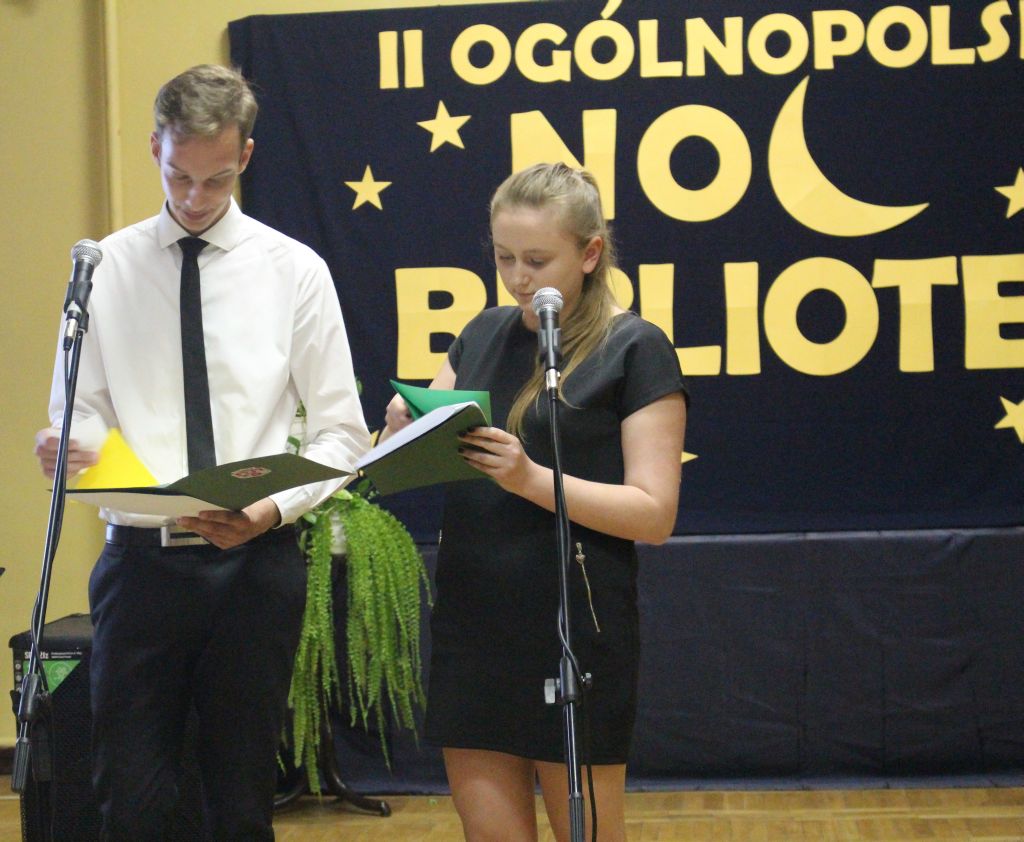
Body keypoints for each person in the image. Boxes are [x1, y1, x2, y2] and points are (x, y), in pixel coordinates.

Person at [34, 64, 370, 841]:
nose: (195, 198)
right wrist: (69, 449)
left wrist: (271, 509)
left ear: (245, 155)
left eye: (217, 179)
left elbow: (343, 434)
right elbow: (78, 415)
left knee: (241, 799)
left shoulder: (294, 271)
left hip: (255, 566)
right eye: (179, 176)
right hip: (140, 566)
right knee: (131, 797)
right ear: (155, 147)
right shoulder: (104, 269)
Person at [383, 163, 688, 842]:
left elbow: (654, 514)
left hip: (575, 625)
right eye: (503, 258)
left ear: (590, 253)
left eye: (537, 260)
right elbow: (412, 458)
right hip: (474, 619)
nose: (518, 278)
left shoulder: (634, 348)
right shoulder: (482, 333)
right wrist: (399, 429)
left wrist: (530, 479)